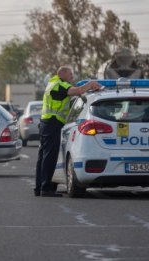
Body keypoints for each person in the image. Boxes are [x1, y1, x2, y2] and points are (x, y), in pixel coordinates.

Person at [35, 66, 102, 197]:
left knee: (43, 156)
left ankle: (39, 188)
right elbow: (76, 91)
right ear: (62, 73)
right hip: (52, 123)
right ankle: (46, 188)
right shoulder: (59, 85)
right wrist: (91, 84)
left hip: (47, 123)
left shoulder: (53, 83)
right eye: (70, 74)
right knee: (49, 156)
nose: (72, 76)